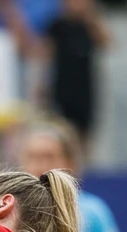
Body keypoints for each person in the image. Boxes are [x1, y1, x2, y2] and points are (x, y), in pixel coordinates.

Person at [40, 0, 110, 143]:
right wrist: (43, 83)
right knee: (61, 132)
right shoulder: (57, 25)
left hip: (85, 87)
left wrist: (91, 19)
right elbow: (46, 55)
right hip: (62, 87)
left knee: (85, 132)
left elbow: (106, 43)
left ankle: (84, 164)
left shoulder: (90, 26)